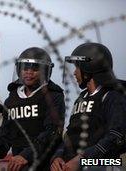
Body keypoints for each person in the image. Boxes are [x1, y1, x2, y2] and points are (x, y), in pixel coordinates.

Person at [0, 47, 65, 171]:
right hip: (17, 162)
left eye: (35, 68)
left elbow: (51, 133)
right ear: (19, 69)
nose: (28, 72)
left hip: (44, 161)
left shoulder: (53, 95)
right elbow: (4, 137)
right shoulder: (12, 99)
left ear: (45, 71)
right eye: (25, 67)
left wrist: (26, 155)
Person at [50, 43, 126, 171]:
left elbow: (116, 135)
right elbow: (70, 134)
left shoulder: (112, 96)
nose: (74, 73)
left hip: (105, 161)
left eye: (77, 68)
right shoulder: (82, 97)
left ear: (89, 68)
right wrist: (58, 157)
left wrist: (82, 159)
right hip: (75, 163)